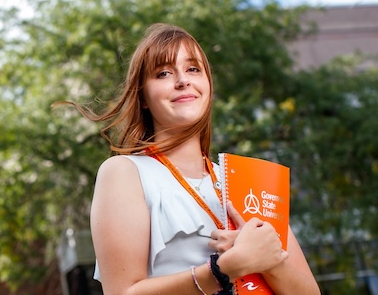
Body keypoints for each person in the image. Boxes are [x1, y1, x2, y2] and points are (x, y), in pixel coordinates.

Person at [56, 23, 320, 294]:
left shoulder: (248, 178)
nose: (183, 80)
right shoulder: (124, 172)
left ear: (208, 85)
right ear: (143, 97)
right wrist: (222, 270)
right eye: (163, 73)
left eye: (193, 69)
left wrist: (268, 262)